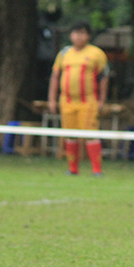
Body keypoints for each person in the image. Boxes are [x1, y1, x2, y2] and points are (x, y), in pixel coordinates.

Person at [47, 22, 109, 176]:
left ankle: (97, 170)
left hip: (87, 101)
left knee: (91, 134)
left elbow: (104, 77)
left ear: (88, 35)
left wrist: (102, 100)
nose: (78, 37)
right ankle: (73, 169)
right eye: (75, 33)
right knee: (70, 135)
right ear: (71, 35)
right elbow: (55, 76)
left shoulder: (96, 53)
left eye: (82, 33)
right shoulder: (64, 53)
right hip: (67, 100)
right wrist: (51, 99)